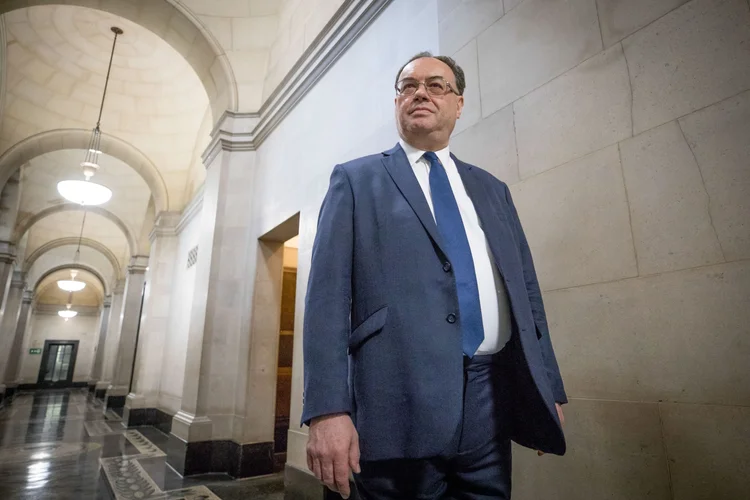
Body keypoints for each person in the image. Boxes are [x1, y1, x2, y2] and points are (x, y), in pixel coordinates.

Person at [301, 52, 567, 499]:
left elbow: (527, 296)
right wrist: (327, 410)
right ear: (397, 101)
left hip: (491, 403)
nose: (421, 92)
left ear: (458, 104)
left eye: (436, 85)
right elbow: (326, 302)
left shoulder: (492, 189)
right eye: (409, 85)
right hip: (393, 409)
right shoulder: (355, 180)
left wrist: (547, 389)